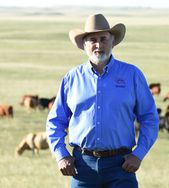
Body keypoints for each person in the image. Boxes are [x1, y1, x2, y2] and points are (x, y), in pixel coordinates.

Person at [46, 14, 159, 188]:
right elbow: (55, 120)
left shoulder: (132, 75)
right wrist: (61, 154)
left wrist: (139, 154)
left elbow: (150, 118)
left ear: (112, 42)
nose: (98, 45)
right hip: (82, 167)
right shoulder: (72, 78)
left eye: (103, 39)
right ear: (84, 45)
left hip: (121, 166)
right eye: (92, 40)